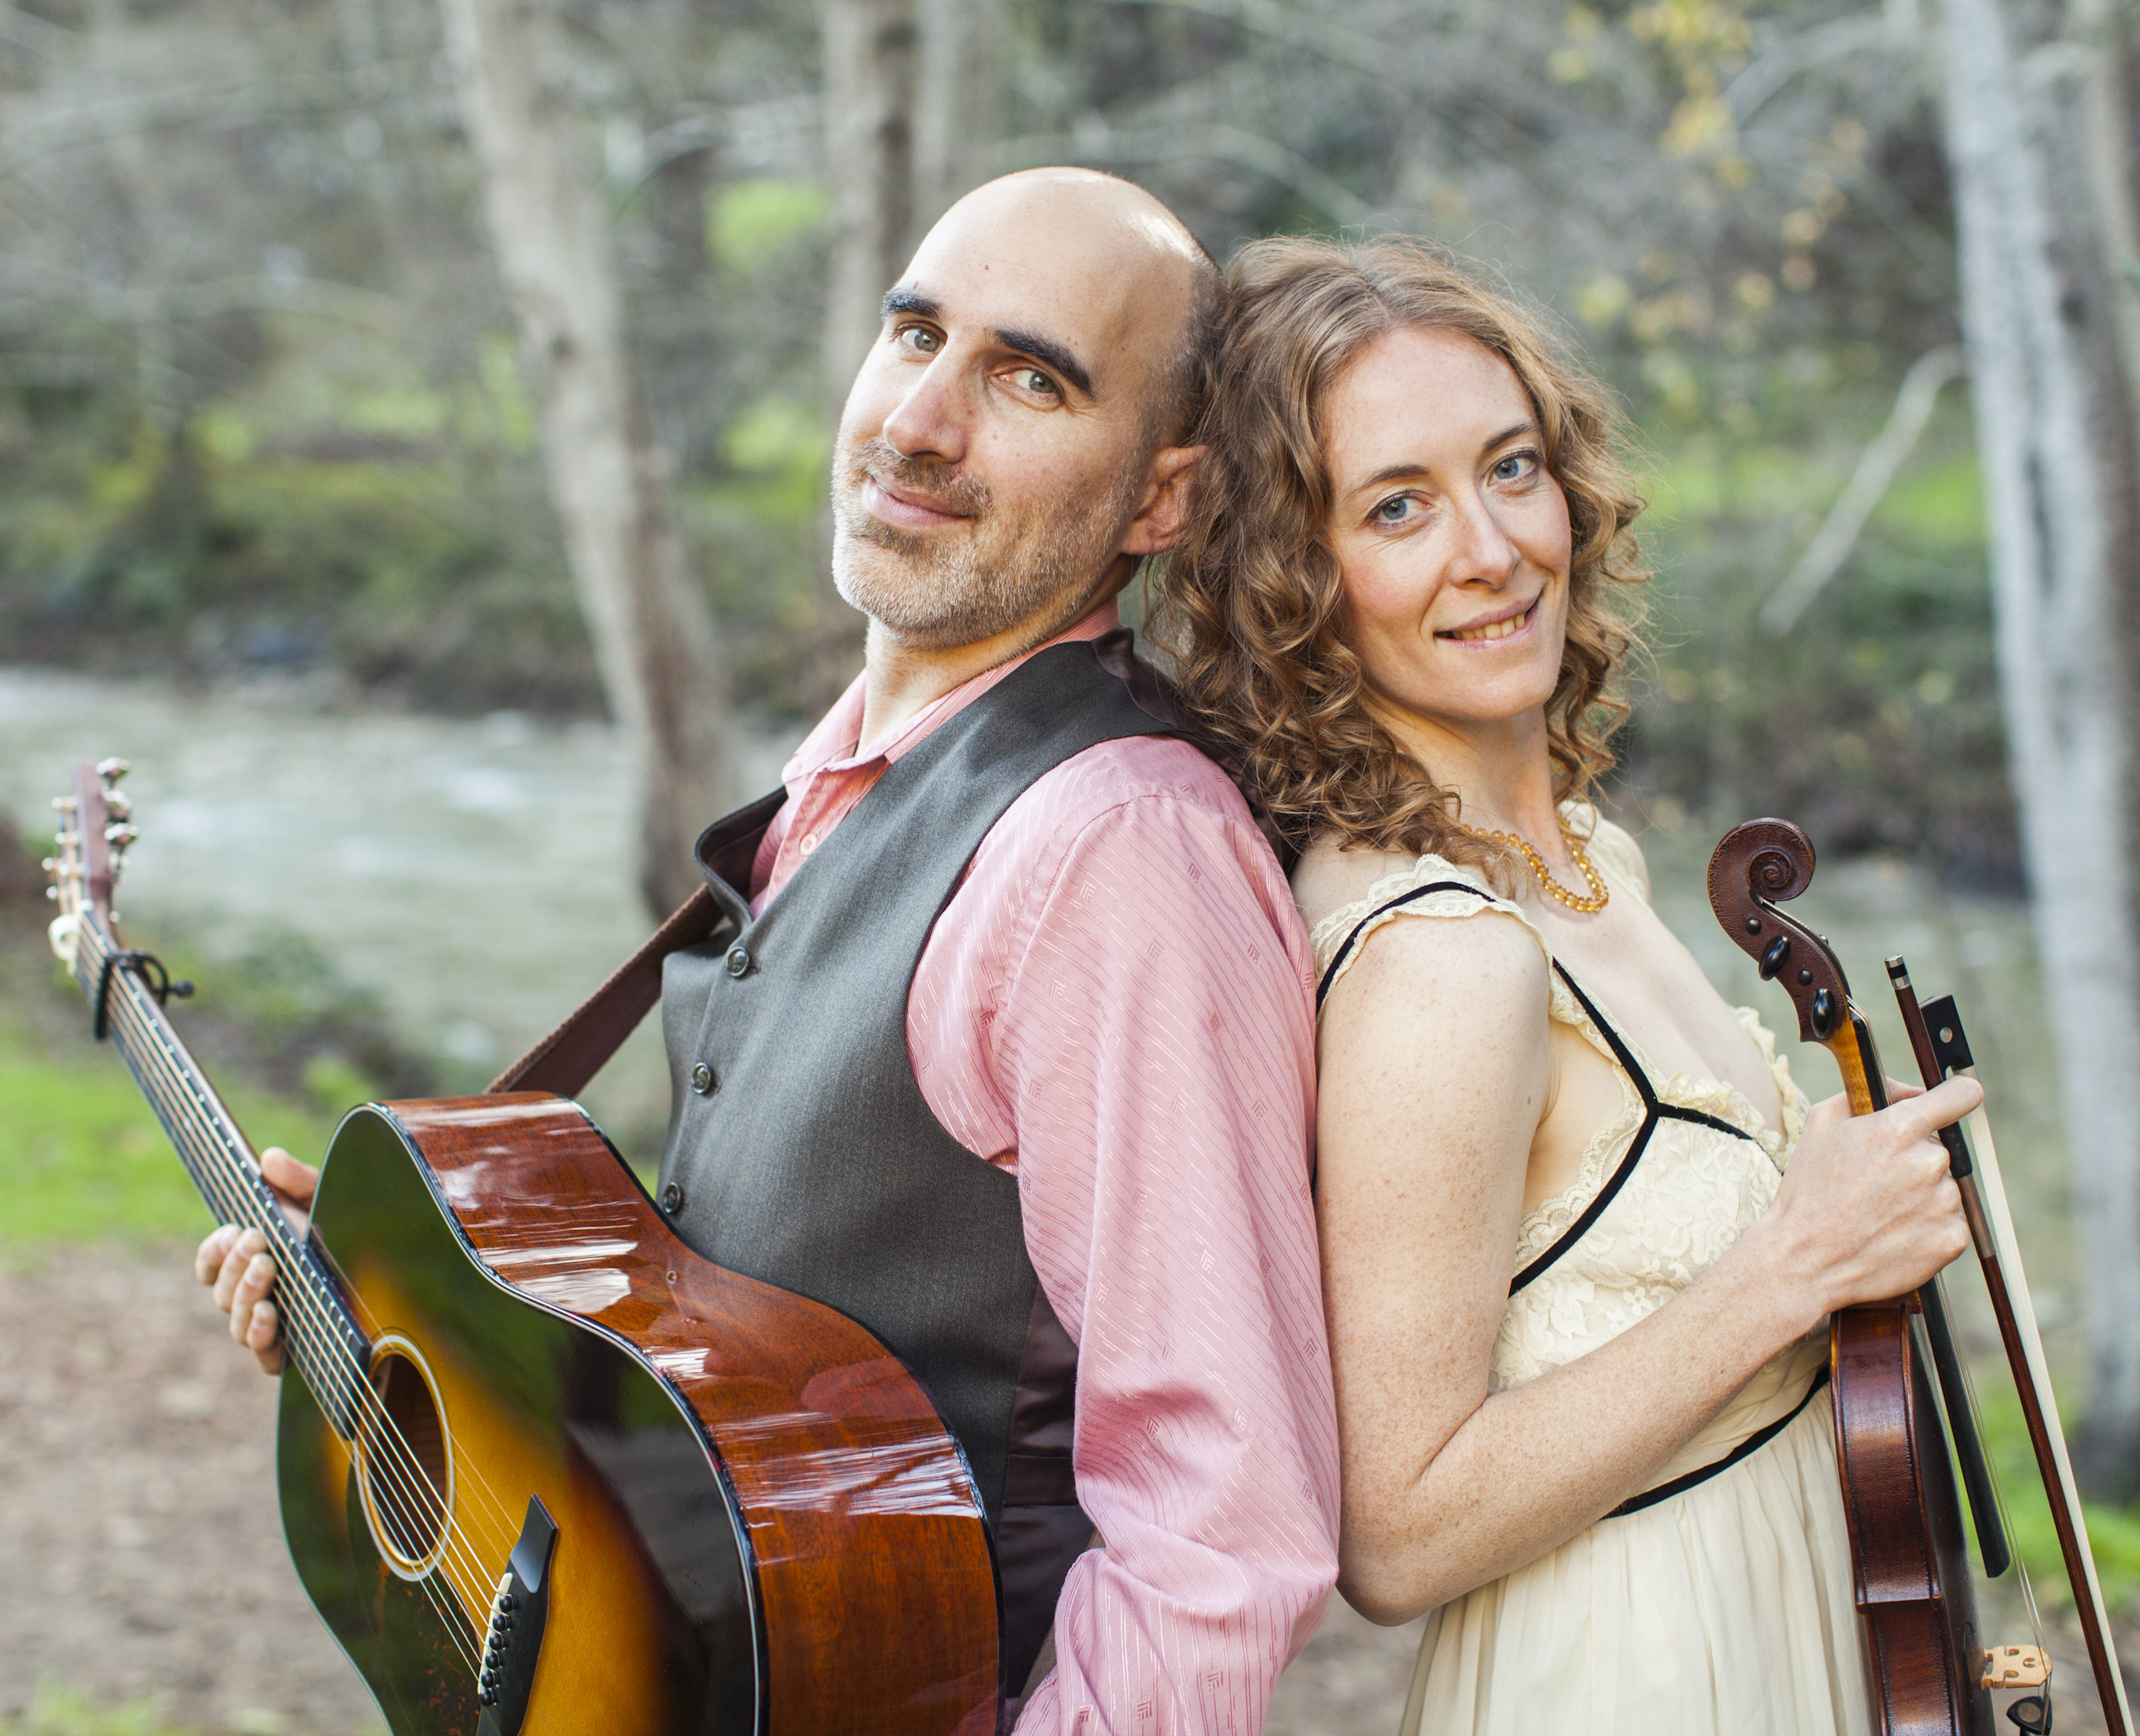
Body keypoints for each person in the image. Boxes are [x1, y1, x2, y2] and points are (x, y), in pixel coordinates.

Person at [197, 169, 1340, 1731]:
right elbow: (735, 1371)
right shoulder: (836, 789)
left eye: (1028, 378)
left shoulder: (1115, 852)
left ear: (1164, 499)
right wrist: (418, 1316)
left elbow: (1221, 1532)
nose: (921, 422)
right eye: (914, 333)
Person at [1154, 235, 1981, 1733]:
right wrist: (1795, 1264)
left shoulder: (1584, 857)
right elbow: (1395, 1536)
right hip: (1638, 1676)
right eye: (1396, 507)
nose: (1491, 549)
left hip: (1778, 1618)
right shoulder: (1442, 961)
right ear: (1292, 577)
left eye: (1512, 468)